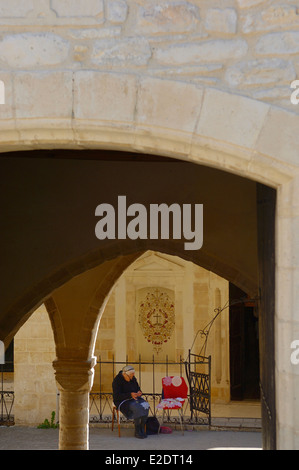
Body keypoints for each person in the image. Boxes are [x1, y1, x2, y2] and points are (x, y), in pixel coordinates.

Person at [112, 365, 149, 439]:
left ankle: (142, 428)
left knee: (146, 405)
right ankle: (137, 430)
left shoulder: (132, 378)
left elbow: (137, 388)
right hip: (122, 400)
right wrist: (130, 395)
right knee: (137, 407)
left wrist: (139, 392)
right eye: (130, 376)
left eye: (133, 376)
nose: (132, 378)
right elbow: (117, 396)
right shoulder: (117, 381)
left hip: (134, 398)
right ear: (125, 374)